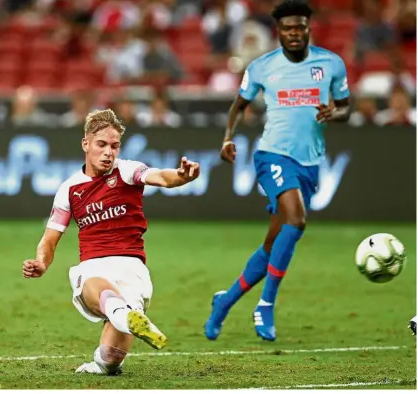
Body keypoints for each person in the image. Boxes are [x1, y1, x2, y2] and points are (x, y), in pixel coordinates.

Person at [204, 0, 351, 342]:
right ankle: (266, 304)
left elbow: (345, 107)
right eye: (287, 28)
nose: (294, 33)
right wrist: (227, 138)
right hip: (272, 156)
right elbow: (238, 105)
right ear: (279, 32)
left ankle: (225, 301)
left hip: (310, 163)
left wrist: (334, 112)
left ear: (308, 28)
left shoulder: (331, 64)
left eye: (300, 27)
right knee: (296, 221)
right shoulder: (261, 67)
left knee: (273, 244)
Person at [22, 109, 200, 375]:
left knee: (109, 361)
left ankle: (122, 320)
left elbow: (162, 177)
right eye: (101, 144)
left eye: (114, 146)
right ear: (86, 144)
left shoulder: (128, 171)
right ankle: (125, 315)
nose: (108, 152)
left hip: (131, 268)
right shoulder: (69, 189)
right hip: (95, 266)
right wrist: (41, 263)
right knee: (93, 285)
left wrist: (182, 177)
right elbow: (50, 238)